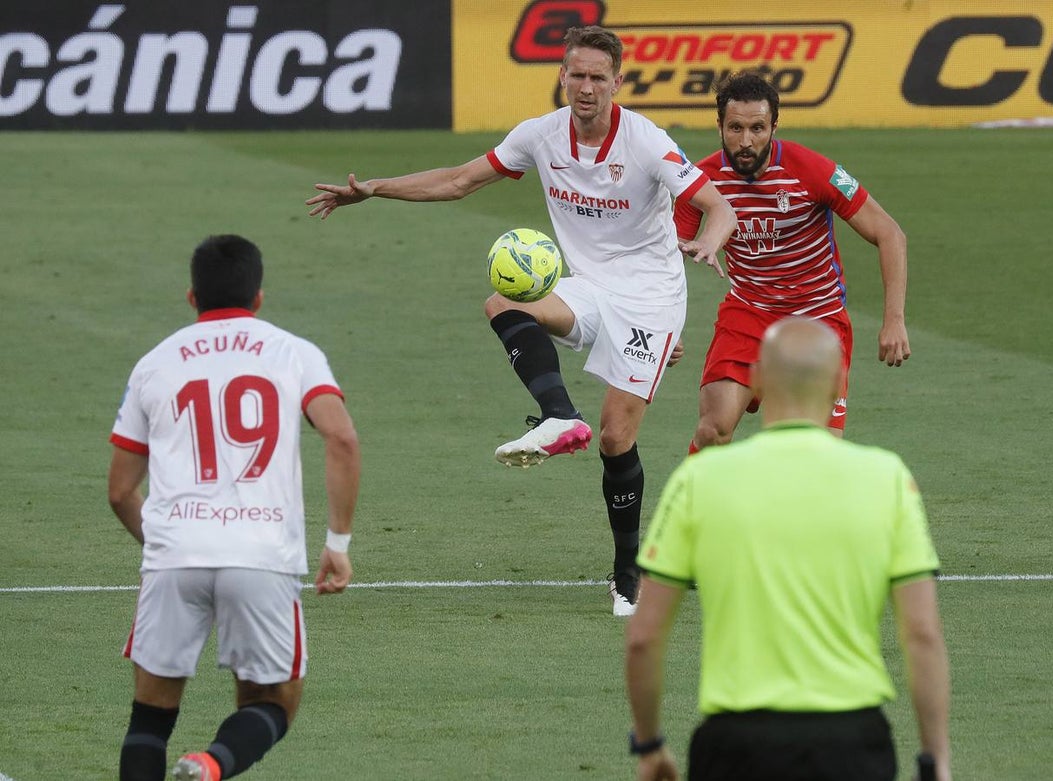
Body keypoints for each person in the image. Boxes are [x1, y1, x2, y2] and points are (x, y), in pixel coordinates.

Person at [305, 25, 736, 616]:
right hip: (585, 288)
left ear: (618, 82)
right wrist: (375, 189)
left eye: (597, 78)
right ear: (562, 75)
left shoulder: (646, 141)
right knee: (501, 303)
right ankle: (560, 416)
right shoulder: (540, 135)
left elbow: (717, 205)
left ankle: (627, 572)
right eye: (576, 75)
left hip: (650, 297)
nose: (585, 88)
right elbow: (459, 181)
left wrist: (710, 243)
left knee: (616, 438)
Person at [625, 316, 951, 781]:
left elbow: (643, 638)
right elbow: (921, 634)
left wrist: (651, 745)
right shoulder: (888, 478)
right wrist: (934, 757)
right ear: (839, 381)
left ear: (756, 380)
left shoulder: (700, 478)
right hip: (853, 742)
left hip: (736, 745)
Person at [108, 235, 361, 781]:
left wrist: (167, 544)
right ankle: (211, 764)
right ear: (259, 297)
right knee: (272, 703)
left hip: (173, 554)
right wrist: (336, 544)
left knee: (148, 721)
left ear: (192, 296)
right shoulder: (295, 351)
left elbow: (120, 491)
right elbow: (341, 439)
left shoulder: (154, 363)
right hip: (261, 555)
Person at [675, 71, 911, 451]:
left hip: (817, 317)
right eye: (735, 128)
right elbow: (667, 261)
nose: (746, 141)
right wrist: (665, 330)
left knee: (815, 451)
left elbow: (890, 234)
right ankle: (698, 509)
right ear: (719, 125)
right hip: (748, 313)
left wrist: (894, 321)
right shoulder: (700, 181)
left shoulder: (811, 170)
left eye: (758, 128)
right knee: (712, 429)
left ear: (774, 127)